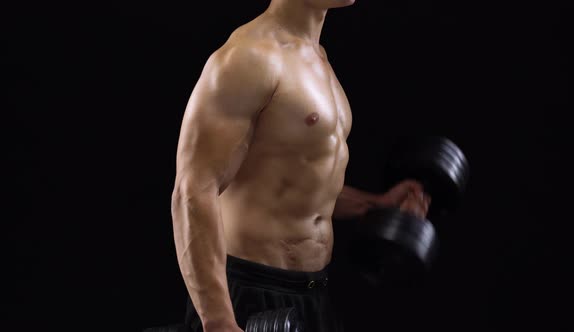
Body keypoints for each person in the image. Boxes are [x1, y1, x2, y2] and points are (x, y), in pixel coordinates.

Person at [170, 1, 431, 331]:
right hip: (248, 298)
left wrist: (374, 205)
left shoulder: (318, 58)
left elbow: (301, 184)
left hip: (312, 294)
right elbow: (192, 191)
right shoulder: (249, 57)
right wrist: (218, 320)